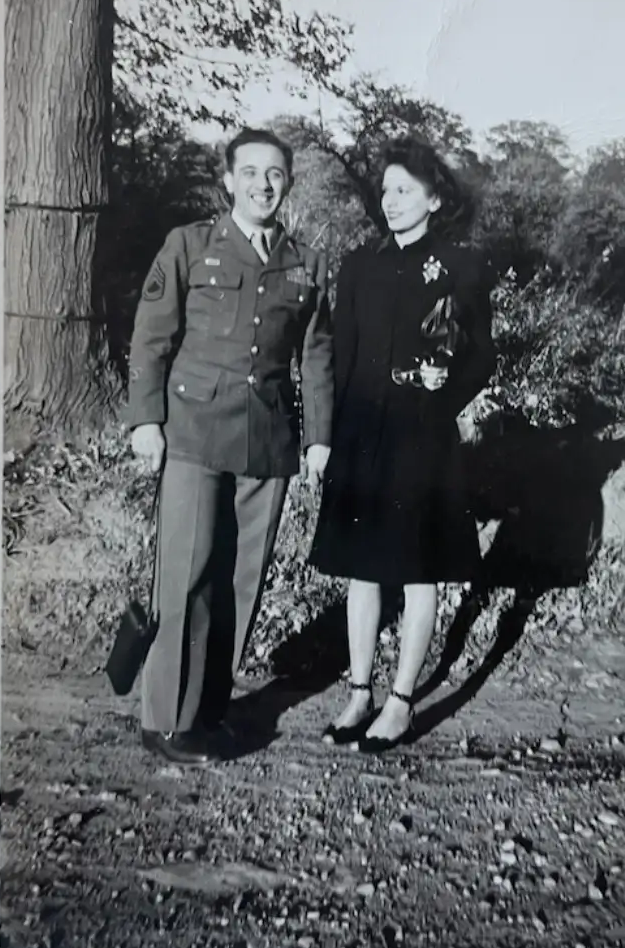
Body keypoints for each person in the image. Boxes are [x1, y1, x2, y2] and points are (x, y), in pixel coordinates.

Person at [125, 127, 334, 764]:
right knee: (187, 578)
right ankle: (165, 720)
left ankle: (208, 712)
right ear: (228, 179)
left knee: (242, 585)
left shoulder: (307, 262)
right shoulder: (189, 245)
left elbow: (317, 356)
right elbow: (151, 337)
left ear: (289, 183)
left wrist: (320, 437)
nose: (262, 184)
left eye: (274, 174)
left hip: (268, 441)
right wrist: (146, 421)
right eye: (250, 172)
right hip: (192, 432)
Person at [311, 139, 495, 752]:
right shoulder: (360, 265)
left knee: (420, 572)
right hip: (364, 433)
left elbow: (481, 357)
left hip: (424, 435)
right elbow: (339, 356)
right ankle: (360, 692)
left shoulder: (463, 268)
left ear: (435, 198)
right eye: (386, 190)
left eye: (405, 190)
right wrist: (329, 438)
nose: (390, 201)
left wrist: (448, 389)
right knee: (363, 569)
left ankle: (401, 702)